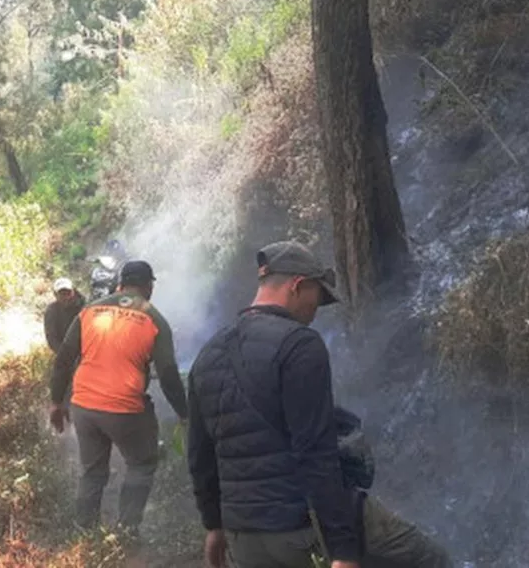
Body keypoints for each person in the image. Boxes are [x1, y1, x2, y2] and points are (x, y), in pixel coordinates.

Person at [186, 241, 452, 568]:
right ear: (298, 286)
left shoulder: (207, 355)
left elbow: (200, 454)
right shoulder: (299, 344)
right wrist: (342, 549)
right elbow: (315, 450)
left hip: (244, 539)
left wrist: (213, 525)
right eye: (317, 297)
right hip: (300, 528)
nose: (316, 310)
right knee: (430, 559)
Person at [49, 259, 189, 537]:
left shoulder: (89, 311)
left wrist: (56, 402)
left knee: (92, 471)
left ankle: (84, 532)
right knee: (141, 463)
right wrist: (184, 413)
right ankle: (126, 531)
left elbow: (63, 360)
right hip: (125, 410)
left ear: (121, 283)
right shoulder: (154, 318)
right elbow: (169, 374)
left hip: (84, 406)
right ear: (149, 287)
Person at [43, 277, 85, 354]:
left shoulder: (85, 306)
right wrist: (63, 355)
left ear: (73, 292)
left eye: (68, 293)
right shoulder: (51, 311)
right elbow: (51, 338)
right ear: (55, 295)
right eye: (62, 294)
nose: (66, 297)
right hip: (65, 350)